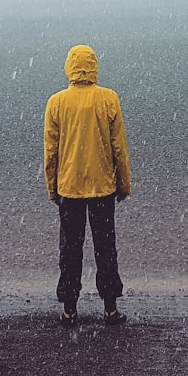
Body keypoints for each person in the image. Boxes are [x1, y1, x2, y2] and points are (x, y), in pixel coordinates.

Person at [44, 44, 132, 327]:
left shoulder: (56, 102)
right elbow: (119, 147)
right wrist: (124, 184)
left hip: (69, 189)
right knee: (105, 248)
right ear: (94, 66)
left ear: (69, 66)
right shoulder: (109, 98)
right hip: (102, 188)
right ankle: (110, 309)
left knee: (70, 249)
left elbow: (51, 151)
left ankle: (70, 310)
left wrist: (52, 187)